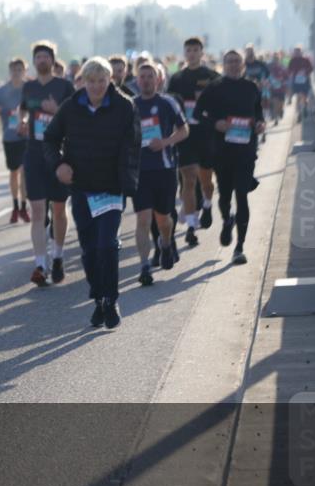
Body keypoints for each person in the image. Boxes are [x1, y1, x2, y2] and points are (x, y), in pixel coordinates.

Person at [44, 57, 140, 329]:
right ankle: (98, 298)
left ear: (111, 80)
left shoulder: (124, 107)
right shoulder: (71, 107)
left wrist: (128, 183)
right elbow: (50, 139)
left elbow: (133, 146)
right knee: (88, 250)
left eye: (101, 81)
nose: (96, 86)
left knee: (107, 245)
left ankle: (111, 300)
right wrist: (59, 164)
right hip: (83, 188)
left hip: (111, 189)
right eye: (91, 81)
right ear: (83, 81)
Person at [194, 49, 265, 265]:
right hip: (222, 151)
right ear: (223, 65)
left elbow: (258, 113)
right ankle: (227, 220)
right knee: (224, 196)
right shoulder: (214, 88)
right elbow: (197, 114)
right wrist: (215, 123)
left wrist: (261, 124)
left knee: (242, 194)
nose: (233, 65)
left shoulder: (251, 87)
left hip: (246, 151)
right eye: (229, 61)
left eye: (237, 61)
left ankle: (239, 247)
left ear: (243, 65)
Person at [21, 41, 75, 286]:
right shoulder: (29, 87)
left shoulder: (64, 86)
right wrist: (21, 122)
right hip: (33, 153)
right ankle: (40, 264)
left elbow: (76, 118)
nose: (42, 60)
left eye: (46, 57)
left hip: (58, 153)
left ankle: (58, 256)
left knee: (59, 210)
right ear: (34, 62)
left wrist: (56, 110)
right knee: (38, 212)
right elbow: (22, 111)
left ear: (53, 61)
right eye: (38, 57)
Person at [132, 64, 189, 286]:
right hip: (140, 172)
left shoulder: (167, 103)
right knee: (143, 219)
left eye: (150, 77)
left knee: (163, 219)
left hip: (164, 169)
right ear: (137, 80)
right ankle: (144, 266)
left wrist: (165, 142)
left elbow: (184, 130)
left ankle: (165, 243)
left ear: (158, 80)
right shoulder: (131, 106)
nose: (146, 80)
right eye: (142, 77)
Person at [167, 37, 221, 248]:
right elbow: (170, 106)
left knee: (206, 181)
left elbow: (221, 103)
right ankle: (191, 226)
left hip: (206, 135)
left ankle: (207, 204)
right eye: (188, 50)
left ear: (202, 52)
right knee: (188, 180)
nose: (191, 53)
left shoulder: (212, 77)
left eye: (195, 50)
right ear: (184, 53)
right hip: (185, 137)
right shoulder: (177, 78)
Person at [0, 58, 30, 224]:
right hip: (9, 137)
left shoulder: (29, 89)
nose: (17, 72)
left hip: (27, 136)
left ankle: (23, 206)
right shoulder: (1, 91)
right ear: (10, 71)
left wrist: (27, 120)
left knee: (24, 172)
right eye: (14, 69)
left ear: (25, 71)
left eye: (20, 69)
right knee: (14, 173)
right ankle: (14, 207)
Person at [287, 46, 314, 116]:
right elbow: (289, 69)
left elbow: (311, 68)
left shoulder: (305, 60)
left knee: (304, 96)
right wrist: (292, 73)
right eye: (295, 52)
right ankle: (299, 112)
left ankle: (304, 107)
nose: (297, 54)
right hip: (296, 81)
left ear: (301, 52)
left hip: (304, 81)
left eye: (298, 52)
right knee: (298, 96)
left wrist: (305, 72)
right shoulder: (292, 60)